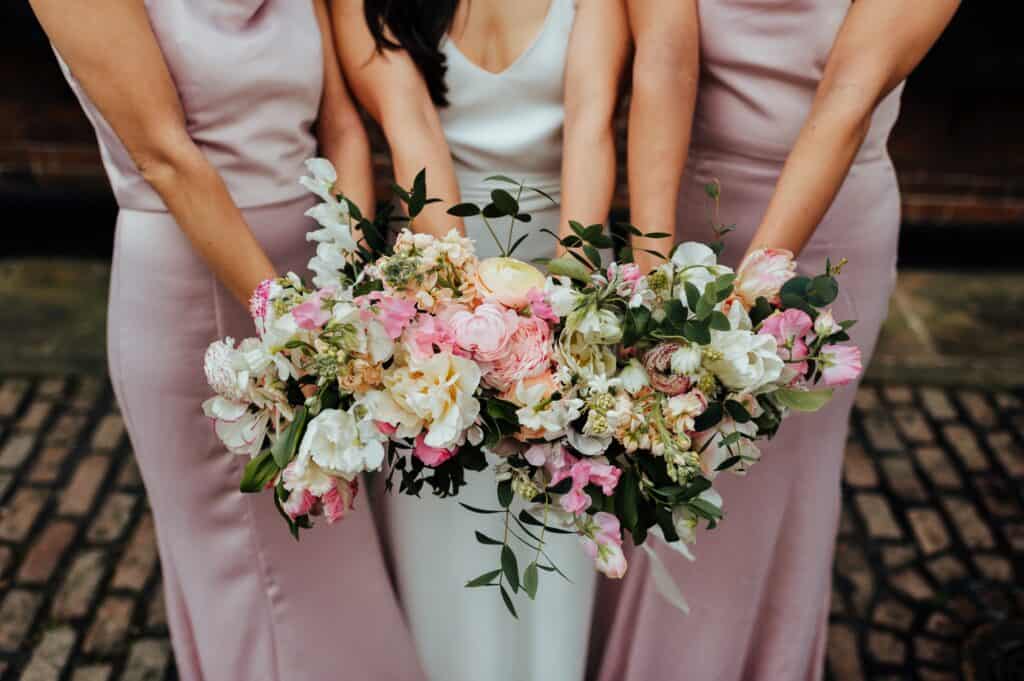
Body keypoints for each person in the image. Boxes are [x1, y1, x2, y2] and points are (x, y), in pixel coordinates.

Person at [29, 0, 423, 678]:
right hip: (197, 299)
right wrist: (293, 332)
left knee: (341, 566)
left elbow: (341, 130)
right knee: (259, 588)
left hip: (316, 281)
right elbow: (166, 157)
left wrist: (355, 296)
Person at [566, 1, 960, 679]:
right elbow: (663, 61)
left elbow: (848, 94)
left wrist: (729, 330)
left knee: (776, 499)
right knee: (658, 469)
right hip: (694, 212)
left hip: (830, 243)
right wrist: (660, 291)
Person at [331, 1, 628, 680]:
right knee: (447, 531)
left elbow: (590, 126)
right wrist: (470, 323)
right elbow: (413, 138)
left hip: (567, 268)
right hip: (436, 286)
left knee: (559, 525)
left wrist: (563, 321)